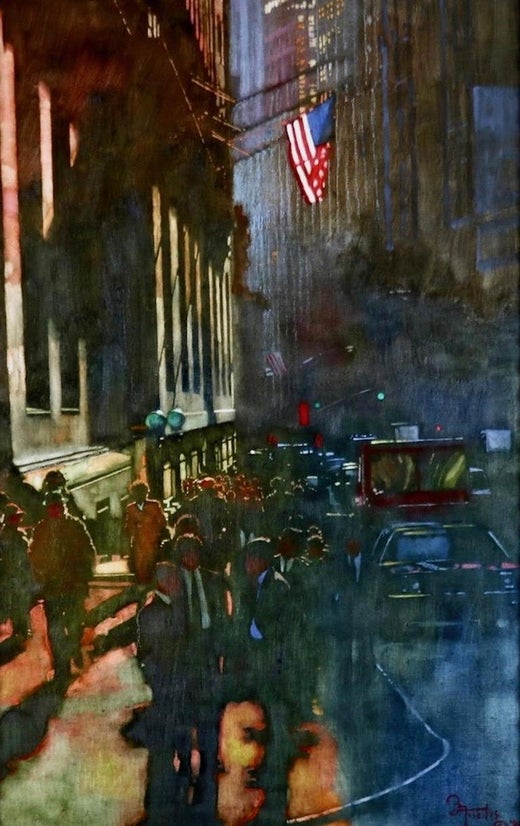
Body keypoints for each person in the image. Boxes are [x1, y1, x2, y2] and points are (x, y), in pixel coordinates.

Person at [29, 493, 96, 683]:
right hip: (53, 589)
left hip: (74, 587)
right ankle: (61, 667)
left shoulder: (75, 526)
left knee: (75, 626)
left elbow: (89, 552)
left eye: (57, 506)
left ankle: (73, 649)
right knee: (56, 630)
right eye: (51, 507)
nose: (55, 510)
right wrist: (40, 576)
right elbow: (34, 556)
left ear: (63, 507)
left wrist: (85, 575)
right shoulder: (41, 529)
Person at [122, 480, 167, 587]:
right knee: (140, 568)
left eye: (142, 493)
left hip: (153, 542)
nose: (139, 496)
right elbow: (129, 527)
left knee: (152, 566)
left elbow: (162, 522)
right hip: (139, 544)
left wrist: (156, 533)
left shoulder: (154, 505)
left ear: (146, 493)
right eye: (137, 493)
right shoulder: (131, 508)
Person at [0, 503, 36, 640]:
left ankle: (20, 632)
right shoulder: (5, 537)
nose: (17, 520)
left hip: (20, 577)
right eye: (14, 518)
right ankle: (17, 633)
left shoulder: (18, 536)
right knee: (13, 606)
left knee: (21, 605)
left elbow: (26, 559)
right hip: (9, 578)